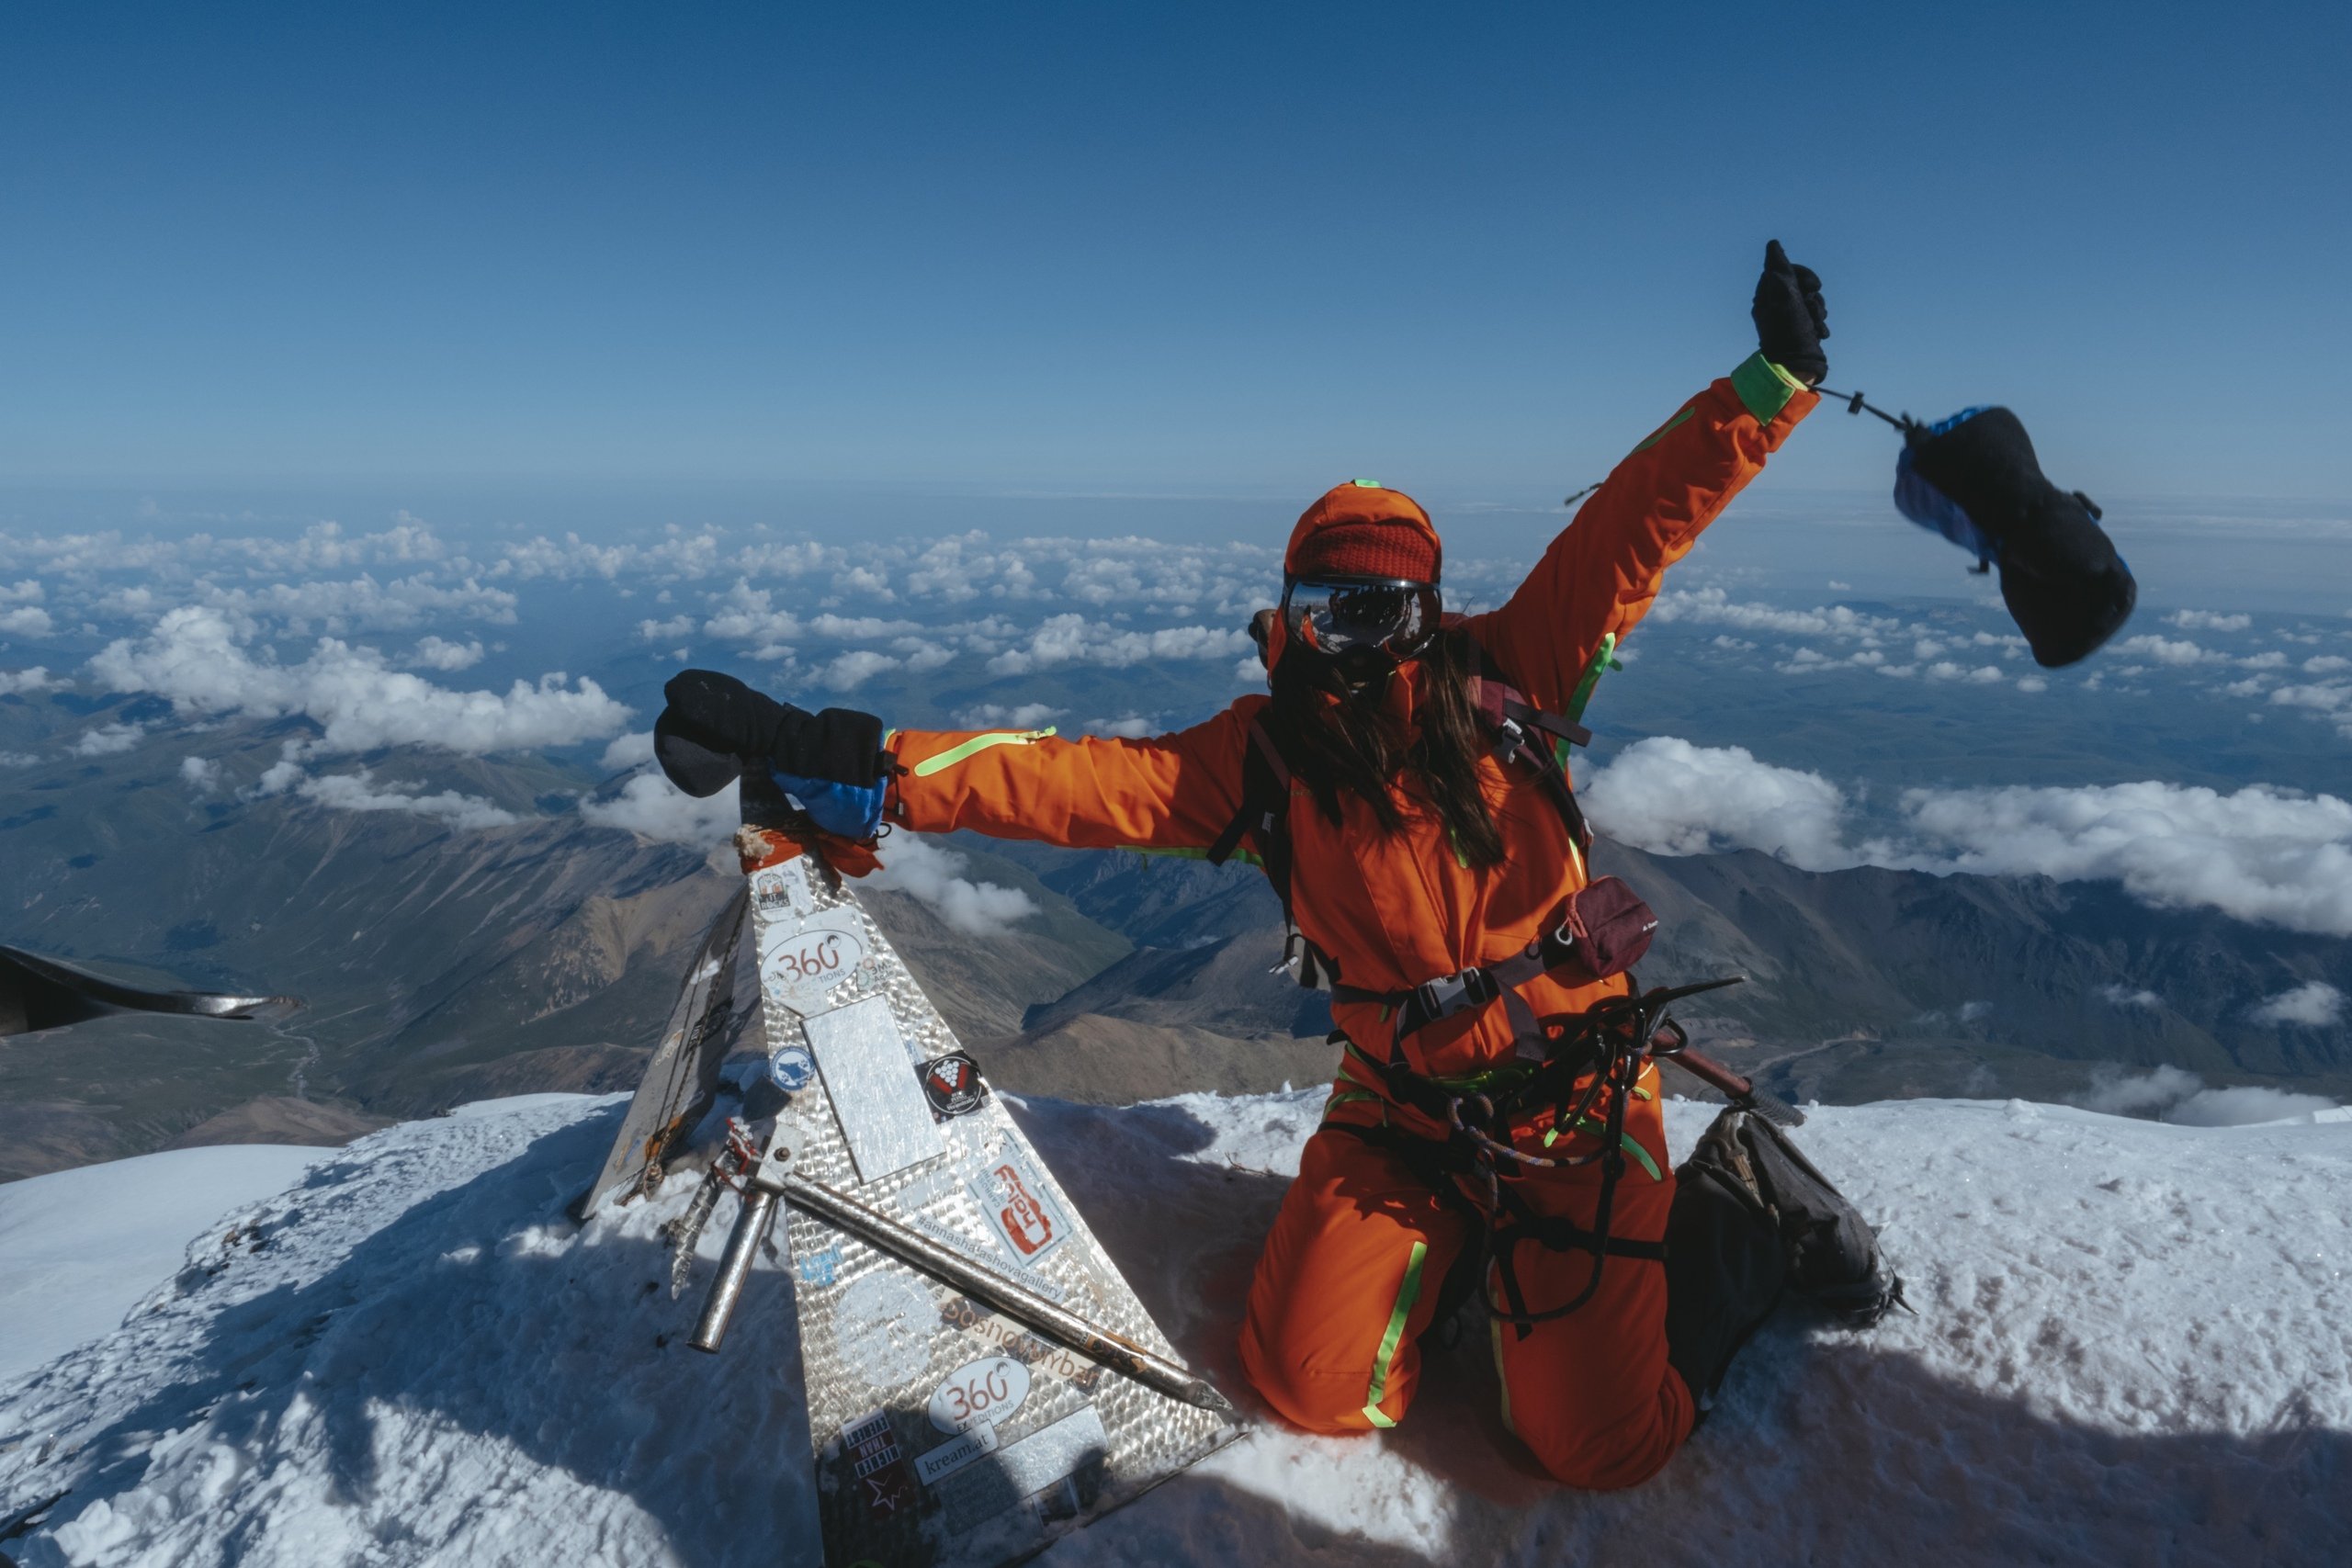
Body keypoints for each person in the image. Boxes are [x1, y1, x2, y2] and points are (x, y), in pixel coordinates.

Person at [655, 242, 1884, 1488]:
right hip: (1408, 1117)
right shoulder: (1265, 761)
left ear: (1428, 611)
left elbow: (1634, 525)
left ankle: (1735, 1218)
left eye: (1380, 611)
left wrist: (1768, 383)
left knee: (1597, 1446)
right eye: (1323, 611)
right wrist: (849, 759)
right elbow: (1063, 780)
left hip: (1576, 1104)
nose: (1348, 643)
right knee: (1312, 1384)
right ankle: (1489, 1268)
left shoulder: (1515, 671)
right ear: (1289, 613)